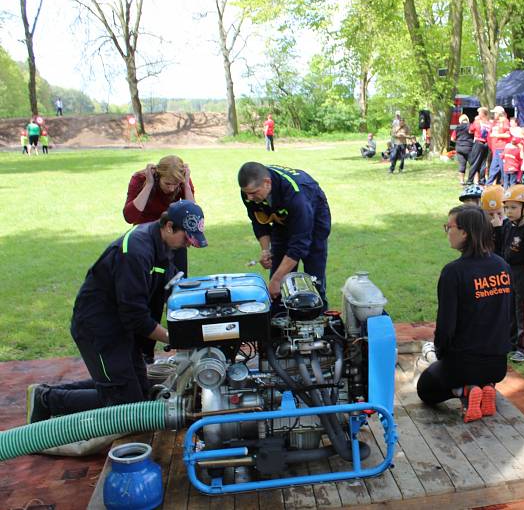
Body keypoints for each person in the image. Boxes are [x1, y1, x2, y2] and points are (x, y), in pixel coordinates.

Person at [25, 201, 208, 423]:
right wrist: (175, 338)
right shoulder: (137, 251)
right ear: (169, 226)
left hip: (120, 326)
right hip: (98, 328)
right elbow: (135, 315)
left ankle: (46, 393)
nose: (187, 245)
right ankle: (47, 400)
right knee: (125, 406)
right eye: (186, 238)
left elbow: (171, 284)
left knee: (138, 392)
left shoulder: (162, 243)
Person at [416, 205, 512, 423]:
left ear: (465, 232)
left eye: (449, 227)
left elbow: (446, 324)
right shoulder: (502, 266)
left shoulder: (454, 272)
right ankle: (486, 385)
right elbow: (509, 315)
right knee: (478, 373)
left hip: (462, 364)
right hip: (497, 364)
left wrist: (440, 353)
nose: (447, 232)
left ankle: (465, 391)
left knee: (425, 390)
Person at [123, 155, 195, 363]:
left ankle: (182, 347)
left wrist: (186, 184)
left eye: (176, 184)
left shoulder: (182, 182)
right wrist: (149, 185)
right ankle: (144, 353)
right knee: (151, 297)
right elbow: (130, 216)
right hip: (147, 241)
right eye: (167, 183)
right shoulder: (140, 180)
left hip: (174, 240)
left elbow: (192, 215)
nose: (172, 188)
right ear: (157, 175)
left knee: (178, 294)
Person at [239, 162, 332, 305]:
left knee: (314, 278)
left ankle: (319, 312)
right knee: (279, 285)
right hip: (282, 219)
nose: (249, 198)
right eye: (246, 193)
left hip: (313, 217)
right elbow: (258, 222)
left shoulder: (296, 194)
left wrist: (276, 280)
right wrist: (265, 250)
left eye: (253, 193)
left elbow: (300, 244)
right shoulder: (250, 191)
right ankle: (279, 317)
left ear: (267, 183)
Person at [491, 185, 524, 363]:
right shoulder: (508, 227)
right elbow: (500, 248)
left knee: (523, 311)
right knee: (510, 309)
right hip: (510, 272)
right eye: (507, 207)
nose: (509, 212)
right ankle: (511, 342)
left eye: (513, 207)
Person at [486, 106, 511, 185]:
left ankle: (505, 185)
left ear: (499, 113)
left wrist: (497, 135)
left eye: (495, 113)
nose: (494, 114)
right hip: (496, 148)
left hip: (502, 148)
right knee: (493, 167)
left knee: (503, 167)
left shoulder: (505, 121)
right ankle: (488, 185)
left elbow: (508, 135)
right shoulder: (495, 122)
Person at [467, 108, 491, 184]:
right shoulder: (489, 123)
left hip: (478, 143)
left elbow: (470, 130)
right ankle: (482, 180)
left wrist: (474, 120)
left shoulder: (477, 122)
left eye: (479, 113)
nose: (478, 114)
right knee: (483, 163)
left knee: (475, 162)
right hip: (486, 144)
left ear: (483, 114)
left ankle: (470, 180)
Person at [452, 114, 474, 184]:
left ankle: (461, 181)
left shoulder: (457, 127)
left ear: (460, 120)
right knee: (473, 164)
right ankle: (474, 180)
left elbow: (452, 138)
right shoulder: (470, 126)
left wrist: (458, 141)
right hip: (469, 148)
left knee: (462, 164)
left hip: (459, 148)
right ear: (467, 120)